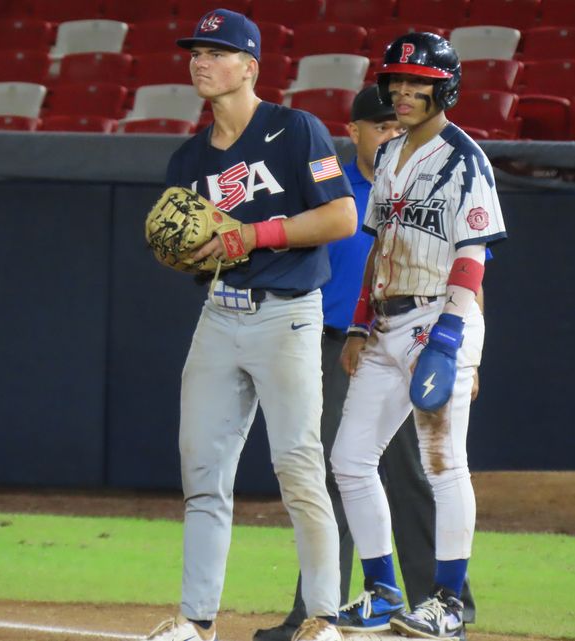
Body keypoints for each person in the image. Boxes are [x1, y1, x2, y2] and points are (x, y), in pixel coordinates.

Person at [145, 9, 357, 641]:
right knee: (203, 474)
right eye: (195, 51)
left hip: (288, 316)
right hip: (219, 316)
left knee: (298, 466)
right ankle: (197, 622)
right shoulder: (187, 160)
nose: (200, 61)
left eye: (215, 51)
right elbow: (199, 252)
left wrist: (251, 235)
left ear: (250, 66)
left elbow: (342, 216)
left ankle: (324, 618)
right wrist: (190, 251)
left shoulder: (295, 131)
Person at [330, 32, 507, 640]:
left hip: (441, 315)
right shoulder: (389, 153)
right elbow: (378, 246)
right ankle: (382, 590)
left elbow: (473, 252)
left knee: (443, 464)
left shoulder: (465, 158)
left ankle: (449, 603)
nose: (403, 93)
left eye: (417, 85)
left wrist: (452, 335)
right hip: (384, 322)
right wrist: (358, 324)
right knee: (350, 460)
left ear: (444, 90)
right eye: (397, 83)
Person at [253, 84, 404, 641]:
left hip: (406, 342)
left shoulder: (420, 183)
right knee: (335, 474)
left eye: (398, 124)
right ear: (355, 130)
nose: (391, 133)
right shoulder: (328, 185)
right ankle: (319, 613)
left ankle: (440, 605)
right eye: (380, 125)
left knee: (413, 477)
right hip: (336, 343)